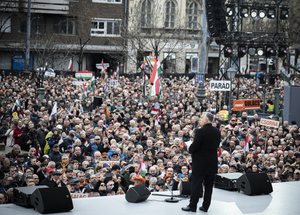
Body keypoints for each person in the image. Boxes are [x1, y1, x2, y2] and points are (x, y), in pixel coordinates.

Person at [182, 112, 220, 212]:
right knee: (208, 186)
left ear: (206, 120)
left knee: (196, 185)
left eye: (202, 118)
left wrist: (189, 147)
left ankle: (192, 206)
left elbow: (194, 147)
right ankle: (206, 206)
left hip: (200, 163)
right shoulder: (217, 131)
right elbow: (216, 145)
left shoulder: (200, 131)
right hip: (212, 162)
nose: (200, 120)